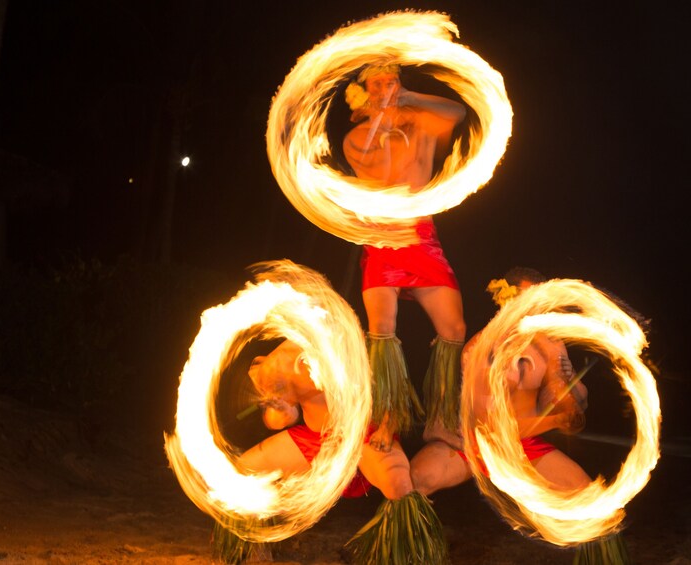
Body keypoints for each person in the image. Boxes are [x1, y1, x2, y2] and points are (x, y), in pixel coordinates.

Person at [226, 339, 447, 565]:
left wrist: (386, 429)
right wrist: (279, 407)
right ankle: (254, 549)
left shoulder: (346, 339)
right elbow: (280, 419)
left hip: (364, 435)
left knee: (398, 483)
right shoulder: (278, 361)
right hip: (318, 439)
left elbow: (393, 392)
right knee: (247, 467)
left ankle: (408, 555)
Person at [342, 62, 468, 451]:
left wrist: (409, 100)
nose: (385, 88)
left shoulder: (423, 128)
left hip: (421, 238)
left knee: (454, 330)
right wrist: (377, 119)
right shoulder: (357, 138)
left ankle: (441, 421)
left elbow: (458, 112)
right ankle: (385, 421)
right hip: (382, 240)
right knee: (383, 332)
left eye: (391, 81)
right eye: (376, 84)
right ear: (363, 96)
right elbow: (368, 162)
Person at [410, 266, 590, 497]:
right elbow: (491, 425)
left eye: (536, 303)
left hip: (523, 443)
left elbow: (573, 401)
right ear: (503, 300)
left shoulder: (551, 346)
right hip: (474, 442)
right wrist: (556, 421)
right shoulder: (480, 348)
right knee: (417, 479)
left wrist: (570, 403)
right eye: (522, 301)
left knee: (584, 492)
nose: (530, 310)